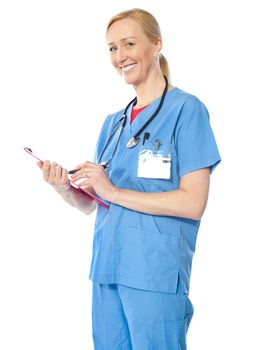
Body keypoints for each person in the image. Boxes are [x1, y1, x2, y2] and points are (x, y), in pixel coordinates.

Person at [38, 8, 221, 350]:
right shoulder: (114, 123)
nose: (119, 56)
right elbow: (95, 204)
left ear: (156, 45)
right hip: (107, 270)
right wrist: (64, 187)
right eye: (111, 48)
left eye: (128, 44)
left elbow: (193, 202)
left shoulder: (187, 110)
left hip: (154, 273)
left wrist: (113, 190)